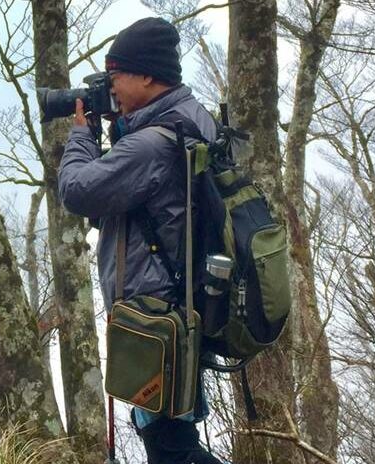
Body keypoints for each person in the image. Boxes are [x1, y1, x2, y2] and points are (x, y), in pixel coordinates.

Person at [58, 17, 223, 464]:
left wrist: (81, 136)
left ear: (147, 75)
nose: (111, 88)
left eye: (116, 77)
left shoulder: (153, 143)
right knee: (173, 436)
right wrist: (120, 126)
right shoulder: (192, 120)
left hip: (153, 319)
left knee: (170, 449)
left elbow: (78, 190)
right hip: (184, 305)